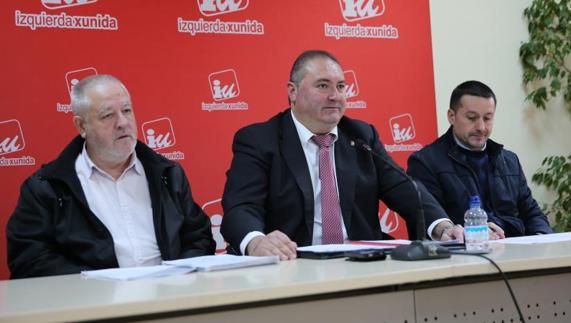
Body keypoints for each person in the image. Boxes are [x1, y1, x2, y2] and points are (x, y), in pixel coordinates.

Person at [221, 50, 463, 260]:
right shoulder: (259, 140)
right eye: (323, 85)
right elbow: (240, 208)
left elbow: (405, 189)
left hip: (358, 264)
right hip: (292, 263)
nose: (335, 96)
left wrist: (443, 227)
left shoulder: (361, 135)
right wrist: (256, 242)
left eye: (340, 87)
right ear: (292, 92)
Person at [7, 75, 215, 279]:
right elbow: (30, 259)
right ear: (81, 126)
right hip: (94, 305)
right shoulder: (47, 187)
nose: (122, 122)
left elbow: (198, 236)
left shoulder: (167, 175)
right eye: (108, 116)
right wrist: (96, 284)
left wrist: (180, 278)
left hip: (170, 300)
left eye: (127, 110)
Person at [407, 80, 553, 238]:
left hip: (516, 251)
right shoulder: (425, 162)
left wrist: (541, 238)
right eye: (472, 118)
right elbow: (431, 221)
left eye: (487, 118)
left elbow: (532, 214)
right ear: (451, 116)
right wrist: (475, 234)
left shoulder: (509, 160)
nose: (481, 127)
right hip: (466, 255)